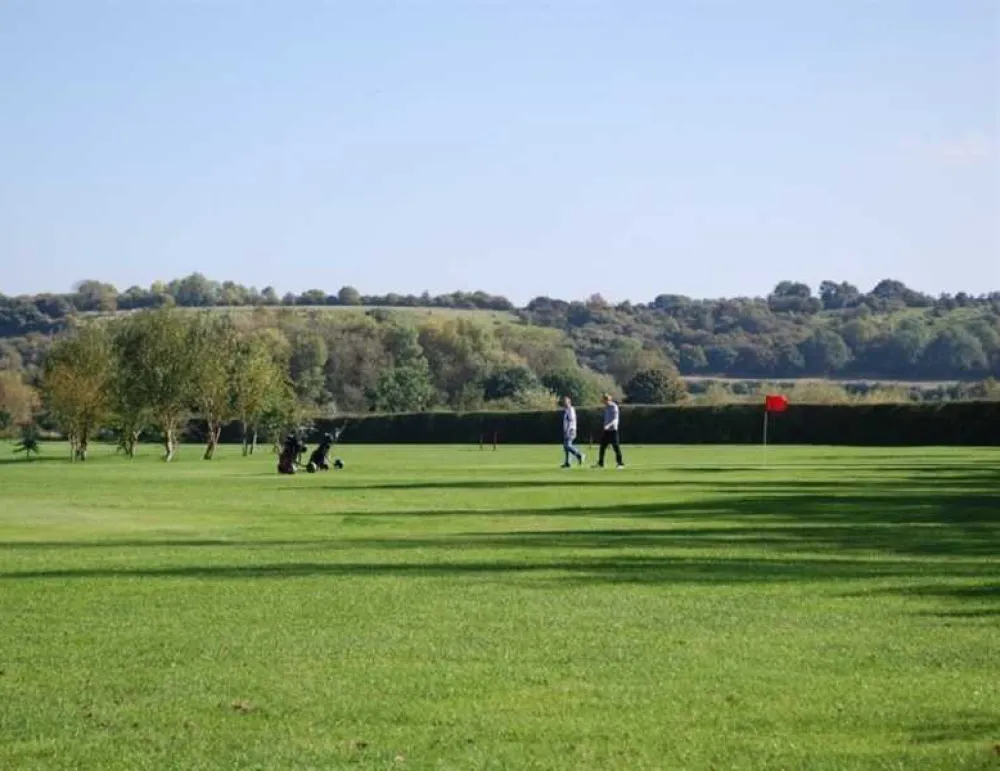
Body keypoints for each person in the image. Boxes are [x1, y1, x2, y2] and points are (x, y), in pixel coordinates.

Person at [595, 393, 625, 469]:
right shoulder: (606, 408)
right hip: (606, 431)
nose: (603, 402)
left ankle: (620, 463)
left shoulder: (613, 407)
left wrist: (609, 425)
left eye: (604, 400)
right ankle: (600, 463)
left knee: (616, 447)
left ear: (607, 400)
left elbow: (615, 419)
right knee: (602, 447)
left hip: (613, 430)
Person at [560, 395, 585, 468]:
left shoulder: (571, 409)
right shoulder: (566, 410)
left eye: (565, 402)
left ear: (569, 402)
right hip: (567, 430)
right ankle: (567, 463)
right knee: (566, 447)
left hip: (571, 430)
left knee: (568, 445)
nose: (564, 403)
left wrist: (567, 430)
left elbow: (571, 420)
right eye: (563, 402)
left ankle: (580, 455)